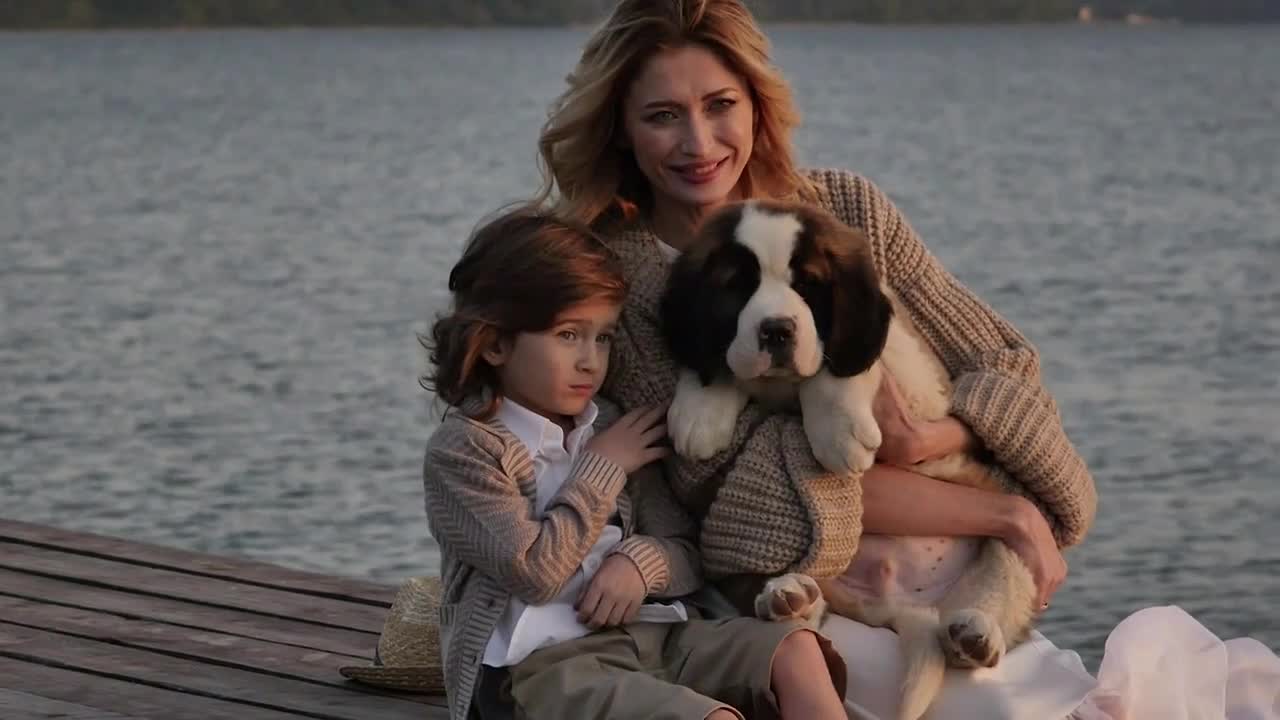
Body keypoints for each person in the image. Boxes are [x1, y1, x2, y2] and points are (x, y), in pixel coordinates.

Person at [528, 1, 1280, 718]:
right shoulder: (619, 283)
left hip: (946, 566)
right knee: (1004, 707)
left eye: (720, 104)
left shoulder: (845, 210)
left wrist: (934, 438)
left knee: (1053, 693)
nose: (699, 142)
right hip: (789, 592)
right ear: (622, 130)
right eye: (663, 116)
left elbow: (1004, 358)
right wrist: (1007, 512)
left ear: (758, 103)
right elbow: (731, 488)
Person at [419, 207, 849, 720]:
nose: (590, 360)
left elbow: (687, 552)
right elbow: (533, 573)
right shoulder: (466, 451)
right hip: (541, 671)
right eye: (567, 335)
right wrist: (601, 470)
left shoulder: (611, 427)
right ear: (494, 343)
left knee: (794, 649)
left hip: (653, 639)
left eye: (602, 336)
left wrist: (638, 566)